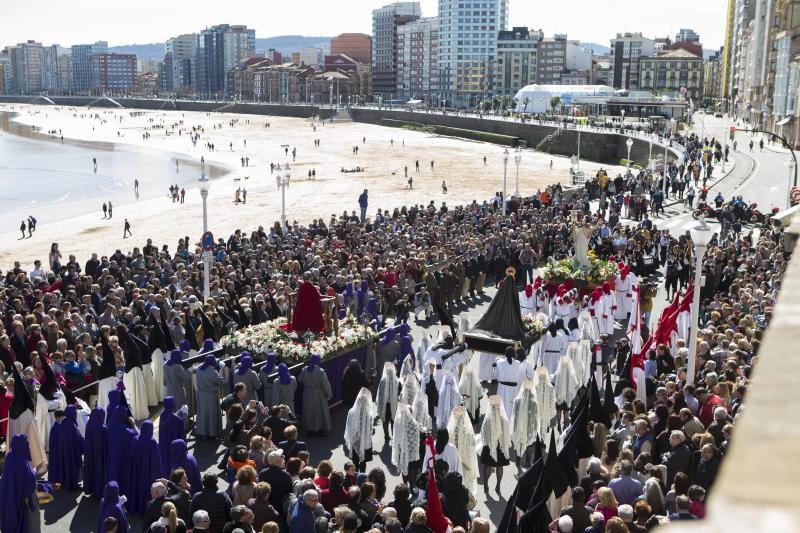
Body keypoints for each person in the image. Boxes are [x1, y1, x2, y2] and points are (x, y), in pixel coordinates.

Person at [0, 434, 40, 533]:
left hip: (9, 500)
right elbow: (28, 483)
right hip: (21, 505)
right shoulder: (21, 462)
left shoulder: (11, 455)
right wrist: (35, 470)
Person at [48, 404, 85, 491]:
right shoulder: (71, 425)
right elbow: (78, 439)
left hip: (63, 451)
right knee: (71, 469)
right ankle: (71, 485)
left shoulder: (62, 424)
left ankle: (65, 483)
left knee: (65, 467)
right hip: (71, 452)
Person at [344, 387, 376, 472]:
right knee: (363, 461)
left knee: (355, 461)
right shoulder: (368, 414)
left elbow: (348, 426)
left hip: (354, 440)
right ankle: (362, 476)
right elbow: (370, 430)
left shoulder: (351, 411)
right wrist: (372, 431)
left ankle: (355, 475)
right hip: (364, 441)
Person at [195, 353, 225, 439]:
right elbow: (221, 381)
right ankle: (211, 433)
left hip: (201, 395)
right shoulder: (212, 372)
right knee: (211, 415)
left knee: (202, 414)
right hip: (211, 396)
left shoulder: (199, 369)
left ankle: (202, 432)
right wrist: (221, 370)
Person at [84, 408, 108, 499]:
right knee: (99, 472)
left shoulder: (88, 425)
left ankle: (91, 489)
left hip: (90, 453)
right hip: (100, 455)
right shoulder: (103, 428)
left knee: (91, 471)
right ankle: (99, 491)